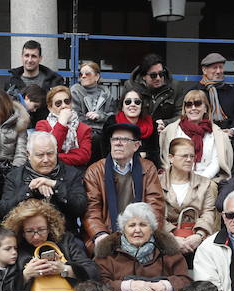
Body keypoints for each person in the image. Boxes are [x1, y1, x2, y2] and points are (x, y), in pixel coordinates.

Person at [1, 199, 98, 291]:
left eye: (41, 230)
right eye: (29, 231)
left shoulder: (65, 241)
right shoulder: (16, 248)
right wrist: (26, 275)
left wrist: (64, 269)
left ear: (50, 226)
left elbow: (93, 273)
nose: (36, 236)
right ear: (21, 231)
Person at [94, 202, 190, 291]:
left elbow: (185, 281)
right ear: (123, 229)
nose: (137, 230)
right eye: (132, 225)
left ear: (152, 229)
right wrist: (129, 286)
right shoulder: (108, 253)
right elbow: (99, 287)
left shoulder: (168, 250)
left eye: (143, 225)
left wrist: (163, 286)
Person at [83, 122, 165, 253]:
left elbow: (155, 206)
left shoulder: (148, 168)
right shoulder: (95, 171)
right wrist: (100, 234)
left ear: (136, 146)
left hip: (140, 231)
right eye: (115, 139)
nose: (118, 143)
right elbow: (91, 210)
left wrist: (145, 232)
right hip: (108, 233)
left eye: (124, 139)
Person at [0, 130, 87, 235]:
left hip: (66, 235)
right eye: (40, 155)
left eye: (50, 154)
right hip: (25, 238)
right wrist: (29, 190)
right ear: (28, 155)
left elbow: (80, 208)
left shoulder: (72, 174)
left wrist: (55, 186)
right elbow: (3, 212)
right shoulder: (14, 177)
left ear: (56, 152)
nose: (46, 160)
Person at [159, 137, 219, 257]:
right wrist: (171, 237)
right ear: (171, 158)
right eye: (184, 156)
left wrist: (199, 235)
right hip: (165, 238)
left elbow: (208, 212)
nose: (189, 160)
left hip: (196, 238)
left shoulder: (205, 183)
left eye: (192, 156)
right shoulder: (157, 182)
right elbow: (155, 213)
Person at [159, 88, 233, 181]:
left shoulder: (215, 133)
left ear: (205, 108)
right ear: (184, 109)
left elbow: (216, 162)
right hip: (177, 179)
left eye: (197, 104)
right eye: (189, 105)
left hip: (208, 180)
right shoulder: (172, 130)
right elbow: (169, 159)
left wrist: (200, 180)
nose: (193, 108)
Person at [193, 52, 234, 145]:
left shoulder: (232, 92)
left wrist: (232, 131)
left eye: (221, 67)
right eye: (215, 68)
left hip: (229, 137)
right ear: (204, 70)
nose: (219, 71)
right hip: (202, 135)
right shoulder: (195, 92)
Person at [36, 85, 92, 168]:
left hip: (75, 172)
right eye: (58, 103)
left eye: (67, 101)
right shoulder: (42, 125)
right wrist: (62, 123)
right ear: (50, 108)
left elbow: (84, 157)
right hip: (49, 170)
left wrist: (55, 156)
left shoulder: (84, 128)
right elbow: (48, 149)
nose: (63, 106)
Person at [100, 89, 160, 167]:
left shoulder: (151, 124)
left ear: (141, 106)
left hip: (145, 168)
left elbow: (154, 153)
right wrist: (139, 155)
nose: (132, 104)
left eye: (137, 102)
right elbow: (106, 151)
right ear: (122, 107)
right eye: (128, 102)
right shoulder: (112, 123)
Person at [4, 40, 65, 109]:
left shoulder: (54, 81)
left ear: (40, 58)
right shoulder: (11, 81)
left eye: (34, 56)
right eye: (27, 56)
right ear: (22, 57)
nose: (30, 60)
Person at [70, 60, 113, 157]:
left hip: (104, 134)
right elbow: (76, 117)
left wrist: (99, 116)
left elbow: (112, 116)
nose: (83, 76)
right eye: (81, 74)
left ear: (97, 77)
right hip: (82, 134)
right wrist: (99, 124)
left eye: (87, 74)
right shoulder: (75, 91)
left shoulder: (106, 94)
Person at [124, 53, 180, 126]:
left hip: (165, 131)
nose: (158, 78)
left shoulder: (174, 87)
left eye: (161, 74)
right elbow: (121, 113)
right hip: (138, 130)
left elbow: (181, 115)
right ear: (143, 76)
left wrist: (165, 123)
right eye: (153, 75)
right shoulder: (130, 87)